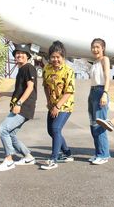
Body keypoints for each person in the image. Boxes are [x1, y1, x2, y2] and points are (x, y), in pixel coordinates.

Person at [0, 44, 37, 172]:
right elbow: (17, 92)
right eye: (17, 53)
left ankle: (9, 160)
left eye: (22, 53)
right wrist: (2, 93)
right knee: (11, 134)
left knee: (3, 129)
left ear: (28, 56)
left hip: (23, 107)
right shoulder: (21, 70)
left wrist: (19, 104)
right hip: (19, 107)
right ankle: (28, 157)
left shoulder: (29, 67)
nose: (19, 55)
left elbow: (30, 87)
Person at [41, 41, 75, 170]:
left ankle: (53, 158)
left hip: (65, 105)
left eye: (58, 57)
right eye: (53, 57)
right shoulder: (47, 69)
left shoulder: (68, 71)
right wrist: (49, 102)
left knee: (55, 129)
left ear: (63, 57)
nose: (55, 59)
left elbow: (68, 91)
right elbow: (45, 86)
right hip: (52, 105)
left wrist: (57, 106)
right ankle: (67, 153)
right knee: (51, 131)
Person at [88, 38, 111, 165]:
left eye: (97, 47)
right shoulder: (95, 62)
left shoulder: (104, 59)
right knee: (93, 124)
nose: (95, 49)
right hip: (92, 93)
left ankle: (104, 154)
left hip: (101, 91)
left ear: (103, 48)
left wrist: (105, 94)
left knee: (100, 124)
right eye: (93, 47)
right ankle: (98, 152)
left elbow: (107, 77)